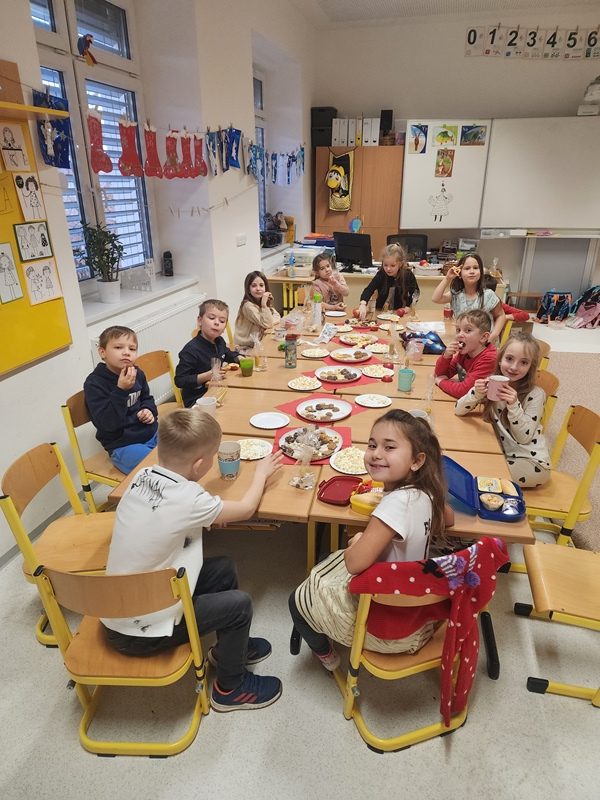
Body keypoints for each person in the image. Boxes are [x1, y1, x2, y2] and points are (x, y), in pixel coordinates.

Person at [102, 409, 284, 712]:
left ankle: (230, 651)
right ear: (200, 464)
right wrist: (261, 475)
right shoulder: (189, 499)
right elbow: (247, 509)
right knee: (239, 605)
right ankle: (230, 688)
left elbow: (170, 515)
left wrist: (208, 514)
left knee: (223, 568)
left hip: (126, 601)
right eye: (213, 456)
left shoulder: (142, 476)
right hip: (138, 632)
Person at [289, 409, 454, 670]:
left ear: (417, 461)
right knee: (326, 560)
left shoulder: (396, 505)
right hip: (415, 609)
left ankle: (328, 657)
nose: (376, 454)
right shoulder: (426, 492)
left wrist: (359, 540)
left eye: (389, 447)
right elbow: (449, 519)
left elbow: (354, 563)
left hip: (390, 629)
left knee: (296, 600)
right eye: (372, 445)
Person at [455, 332, 551, 487]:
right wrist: (476, 393)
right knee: (465, 461)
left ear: (530, 367)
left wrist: (513, 405)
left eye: (523, 362)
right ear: (500, 360)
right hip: (502, 451)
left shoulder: (536, 394)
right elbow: (459, 410)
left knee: (475, 476)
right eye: (509, 359)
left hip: (530, 461)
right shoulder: (493, 382)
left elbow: (523, 438)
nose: (514, 367)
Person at [84, 326, 158, 474]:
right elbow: (107, 424)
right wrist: (121, 390)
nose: (126, 352)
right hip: (123, 444)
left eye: (132, 349)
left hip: (150, 433)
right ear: (102, 352)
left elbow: (147, 398)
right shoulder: (94, 383)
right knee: (159, 468)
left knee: (185, 447)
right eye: (118, 347)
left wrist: (148, 410)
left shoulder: (137, 373)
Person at [175, 299, 241, 407]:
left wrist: (239, 358)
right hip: (197, 399)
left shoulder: (219, 341)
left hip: (216, 390)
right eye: (211, 318)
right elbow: (180, 380)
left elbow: (227, 353)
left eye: (222, 321)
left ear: (224, 327)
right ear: (200, 321)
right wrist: (206, 376)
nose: (217, 323)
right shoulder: (191, 350)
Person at [432, 254, 506, 342]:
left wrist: (494, 335)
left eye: (475, 268)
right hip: (464, 343)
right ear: (459, 273)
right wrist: (448, 278)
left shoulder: (488, 295)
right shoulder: (456, 294)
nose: (472, 271)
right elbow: (436, 298)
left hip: (484, 344)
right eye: (467, 268)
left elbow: (501, 315)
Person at [433, 309, 497, 399]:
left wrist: (441, 382)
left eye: (468, 330)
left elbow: (465, 391)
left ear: (483, 337)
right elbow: (440, 374)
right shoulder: (465, 352)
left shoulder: (489, 359)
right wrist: (446, 356)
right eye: (458, 330)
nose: (459, 335)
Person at [358, 243, 420, 319]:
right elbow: (369, 289)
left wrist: (407, 307)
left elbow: (415, 292)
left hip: (401, 313)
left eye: (392, 265)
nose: (388, 269)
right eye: (385, 265)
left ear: (400, 264)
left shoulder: (407, 274)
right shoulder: (381, 275)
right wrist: (363, 304)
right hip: (381, 312)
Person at [234, 270, 281, 350]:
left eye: (261, 285)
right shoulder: (248, 306)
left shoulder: (261, 301)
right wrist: (264, 305)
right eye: (254, 286)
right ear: (248, 289)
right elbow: (268, 324)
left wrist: (267, 320)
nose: (258, 289)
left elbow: (277, 316)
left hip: (259, 342)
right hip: (246, 348)